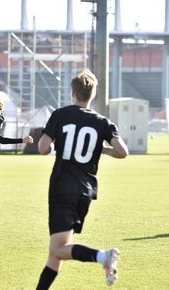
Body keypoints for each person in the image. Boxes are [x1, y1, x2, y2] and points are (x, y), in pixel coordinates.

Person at [35, 69, 129, 289]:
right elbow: (123, 151)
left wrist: (54, 140)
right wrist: (102, 149)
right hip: (85, 191)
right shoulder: (103, 122)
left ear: (72, 93)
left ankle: (103, 257)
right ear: (92, 94)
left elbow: (42, 148)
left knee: (58, 249)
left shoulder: (60, 114)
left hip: (61, 188)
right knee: (56, 251)